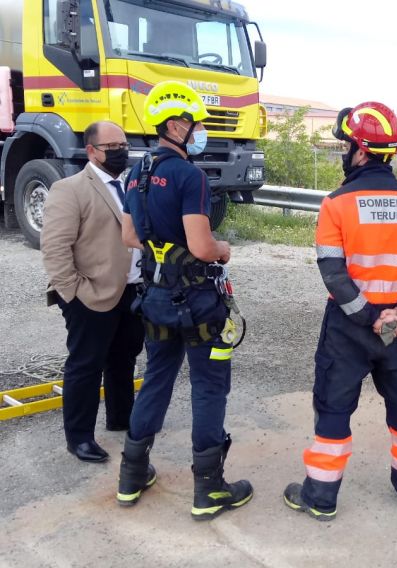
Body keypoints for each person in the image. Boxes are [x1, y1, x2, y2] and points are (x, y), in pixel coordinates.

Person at [283, 101, 397, 521]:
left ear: (359, 149)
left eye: (347, 146)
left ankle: (321, 496)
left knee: (334, 408)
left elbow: (333, 273)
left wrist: (368, 316)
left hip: (349, 327)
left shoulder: (336, 204)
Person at [116, 81, 252, 521]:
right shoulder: (187, 174)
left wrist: (163, 253)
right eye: (194, 125)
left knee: (157, 377)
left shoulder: (134, 172)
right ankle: (209, 489)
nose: (198, 133)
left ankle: (132, 475)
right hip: (198, 304)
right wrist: (222, 248)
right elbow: (201, 245)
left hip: (155, 299)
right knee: (209, 386)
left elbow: (129, 236)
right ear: (176, 125)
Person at [41, 120, 144, 463]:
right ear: (91, 151)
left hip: (130, 291)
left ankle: (121, 418)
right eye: (112, 147)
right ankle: (80, 437)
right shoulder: (70, 189)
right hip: (89, 295)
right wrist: (73, 293)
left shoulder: (129, 185)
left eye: (123, 145)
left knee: (123, 358)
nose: (120, 152)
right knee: (86, 365)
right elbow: (55, 248)